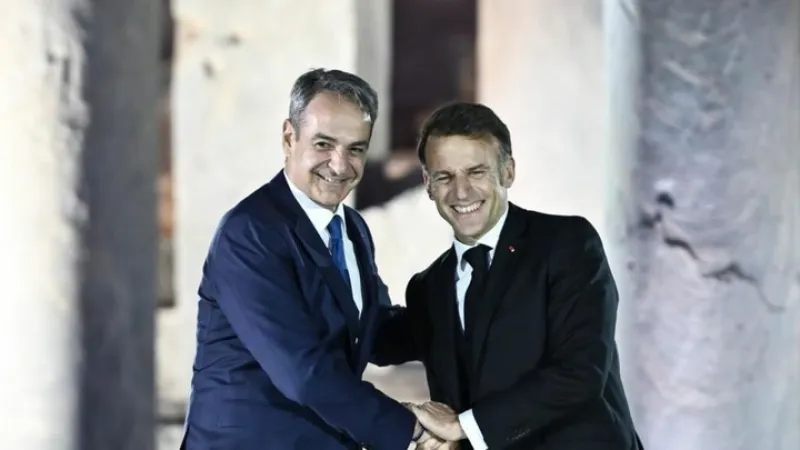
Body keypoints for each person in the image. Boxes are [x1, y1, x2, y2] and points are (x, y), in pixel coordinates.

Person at [180, 68, 441, 450]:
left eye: (356, 149)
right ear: (289, 137)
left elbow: (372, 331)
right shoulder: (250, 232)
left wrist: (461, 320)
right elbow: (304, 374)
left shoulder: (351, 227)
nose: (340, 165)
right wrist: (413, 430)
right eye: (323, 144)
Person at [372, 102, 644, 449]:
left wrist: (464, 427)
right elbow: (375, 340)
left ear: (508, 172)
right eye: (444, 176)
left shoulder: (566, 244)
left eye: (476, 172)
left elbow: (580, 373)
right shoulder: (428, 288)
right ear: (428, 184)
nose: (461, 191)